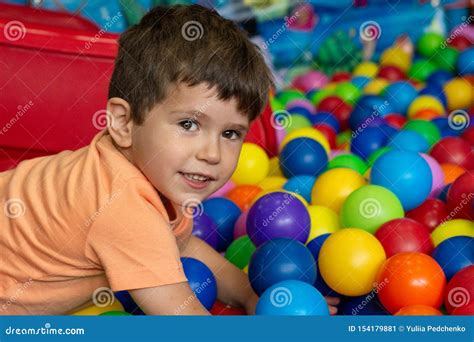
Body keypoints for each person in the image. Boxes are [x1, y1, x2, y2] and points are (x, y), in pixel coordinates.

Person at [0, 4, 338, 315]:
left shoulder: (148, 177)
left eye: (231, 133)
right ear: (122, 123)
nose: (211, 154)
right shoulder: (122, 205)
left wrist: (253, 297)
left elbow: (181, 244)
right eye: (188, 124)